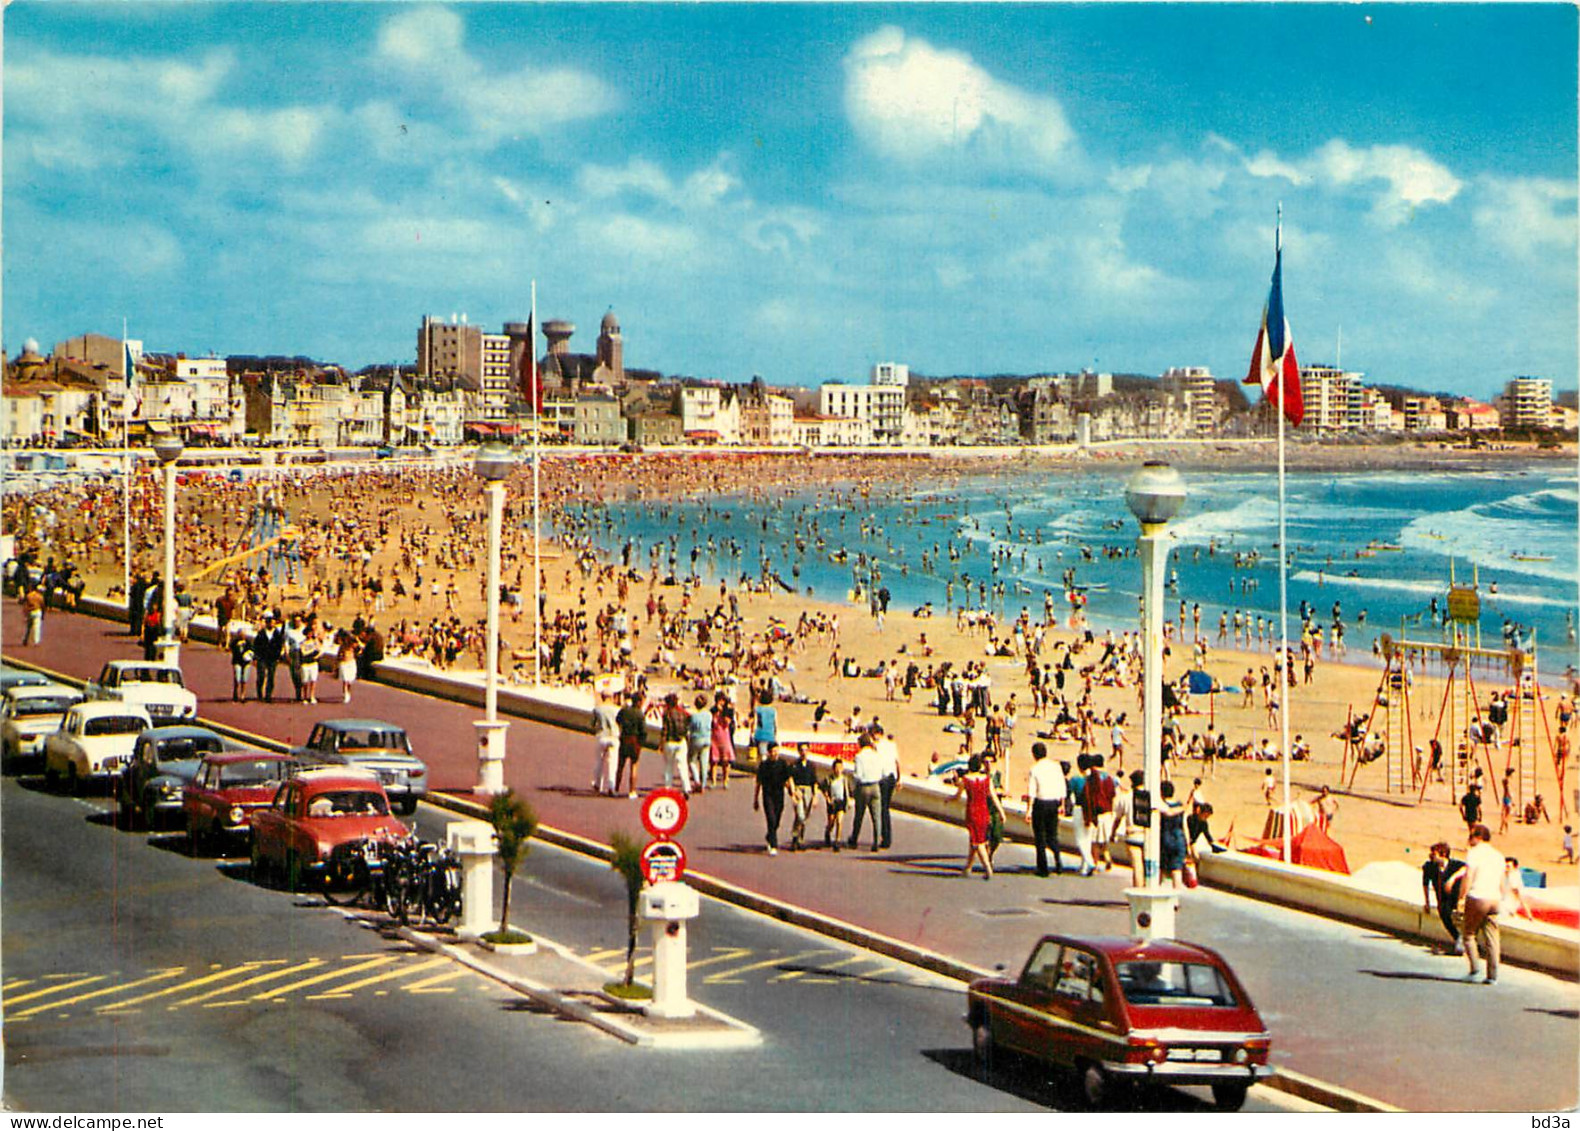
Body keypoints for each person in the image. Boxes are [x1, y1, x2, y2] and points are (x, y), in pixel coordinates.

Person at [1450, 823, 1506, 984]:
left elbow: (1468, 877)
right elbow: (1502, 882)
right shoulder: (1498, 856)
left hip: (1478, 897)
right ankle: (1492, 975)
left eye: (1471, 836)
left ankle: (1475, 969)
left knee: (1468, 934)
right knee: (1492, 938)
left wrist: (1461, 897)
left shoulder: (1474, 854)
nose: (1469, 840)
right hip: (1494, 899)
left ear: (1479, 837)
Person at [950, 754, 1003, 880]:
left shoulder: (966, 779)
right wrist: (1001, 812)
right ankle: (968, 868)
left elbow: (957, 796)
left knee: (977, 842)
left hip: (972, 812)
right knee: (976, 839)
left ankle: (987, 868)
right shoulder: (986, 779)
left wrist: (949, 800)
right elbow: (994, 796)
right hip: (984, 812)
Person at [1024, 741, 1067, 876]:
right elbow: (1062, 786)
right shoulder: (1056, 766)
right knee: (1052, 835)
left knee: (1040, 837)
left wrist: (1029, 810)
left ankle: (1043, 868)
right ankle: (1058, 861)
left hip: (1041, 803)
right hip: (1054, 802)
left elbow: (1032, 791)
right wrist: (1062, 804)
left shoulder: (1035, 769)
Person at [1421, 841, 1466, 953]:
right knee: (1445, 915)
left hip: (1455, 896)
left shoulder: (1455, 865)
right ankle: (1458, 938)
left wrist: (1453, 879)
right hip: (1442, 899)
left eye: (1434, 853)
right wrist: (1427, 902)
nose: (1431, 856)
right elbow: (1425, 884)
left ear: (1443, 854)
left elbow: (1467, 868)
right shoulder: (1429, 867)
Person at [1082, 754, 1118, 874]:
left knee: (1095, 841)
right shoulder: (1109, 778)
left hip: (1098, 813)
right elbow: (1113, 795)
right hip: (1108, 812)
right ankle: (1107, 857)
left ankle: (1095, 864)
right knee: (1103, 839)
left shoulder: (1093, 778)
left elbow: (1090, 796)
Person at [847, 734, 884, 851]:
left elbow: (858, 775)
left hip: (863, 787)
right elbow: (882, 772)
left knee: (859, 815)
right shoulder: (877, 755)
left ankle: (854, 839)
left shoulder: (859, 757)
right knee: (876, 816)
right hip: (875, 786)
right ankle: (876, 841)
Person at [752, 744, 790, 855]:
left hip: (779, 794)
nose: (774, 753)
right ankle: (773, 844)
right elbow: (758, 783)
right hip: (767, 794)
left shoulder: (783, 764)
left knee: (777, 819)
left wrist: (793, 792)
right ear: (769, 752)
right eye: (772, 751)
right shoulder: (764, 765)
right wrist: (755, 799)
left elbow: (787, 779)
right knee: (771, 818)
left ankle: (770, 835)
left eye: (776, 751)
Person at [659, 692, 693, 795]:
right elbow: (689, 721)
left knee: (669, 766)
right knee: (682, 765)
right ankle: (686, 788)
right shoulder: (683, 712)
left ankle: (668, 788)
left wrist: (661, 743)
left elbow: (664, 730)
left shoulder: (667, 713)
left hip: (670, 742)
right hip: (681, 741)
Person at [874, 724, 901, 850]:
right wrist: (899, 779)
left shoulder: (877, 746)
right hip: (892, 778)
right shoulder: (891, 744)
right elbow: (897, 763)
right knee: (886, 807)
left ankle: (885, 837)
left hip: (883, 779)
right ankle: (886, 836)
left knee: (882, 808)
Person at [615, 691, 647, 798]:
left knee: (620, 766)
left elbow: (617, 720)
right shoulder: (640, 714)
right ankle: (632, 791)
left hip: (624, 738)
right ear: (638, 702)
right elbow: (643, 731)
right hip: (635, 740)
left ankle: (616, 789)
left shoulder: (624, 710)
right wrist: (641, 743)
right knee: (634, 766)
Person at [787, 743, 818, 851]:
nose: (804, 752)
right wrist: (794, 792)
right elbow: (790, 779)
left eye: (806, 750)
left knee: (804, 817)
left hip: (808, 791)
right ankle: (795, 835)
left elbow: (814, 782)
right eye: (802, 750)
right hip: (799, 790)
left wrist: (815, 796)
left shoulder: (811, 766)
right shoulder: (794, 765)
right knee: (800, 815)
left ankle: (799, 838)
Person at [1158, 779, 1187, 889]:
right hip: (1178, 838)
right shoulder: (1179, 805)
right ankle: (1176, 900)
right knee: (1177, 870)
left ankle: (1157, 892)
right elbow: (1184, 826)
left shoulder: (1162, 806)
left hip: (1165, 838)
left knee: (1160, 869)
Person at [591, 690, 620, 796]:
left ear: (602, 697)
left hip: (602, 736)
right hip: (613, 736)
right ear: (611, 697)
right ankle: (611, 787)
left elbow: (593, 724)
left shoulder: (597, 709)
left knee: (599, 761)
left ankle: (598, 784)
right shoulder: (617, 710)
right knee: (612, 763)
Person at [709, 691, 735, 790]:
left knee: (725, 761)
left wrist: (723, 712)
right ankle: (713, 781)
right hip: (714, 738)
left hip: (725, 737)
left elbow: (727, 722)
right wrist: (716, 711)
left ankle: (725, 780)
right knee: (713, 761)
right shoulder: (712, 710)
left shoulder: (728, 711)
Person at [687, 694, 713, 793]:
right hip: (707, 739)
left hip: (696, 739)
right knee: (704, 762)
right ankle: (703, 784)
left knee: (692, 761)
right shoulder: (709, 715)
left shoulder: (694, 716)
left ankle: (697, 780)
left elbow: (690, 728)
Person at [822, 757, 850, 850]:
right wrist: (827, 798)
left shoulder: (844, 779)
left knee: (839, 821)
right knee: (831, 821)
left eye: (840, 768)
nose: (838, 770)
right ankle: (828, 832)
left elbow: (846, 790)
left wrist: (848, 801)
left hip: (840, 802)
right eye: (837, 768)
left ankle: (837, 841)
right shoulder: (829, 779)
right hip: (832, 802)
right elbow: (824, 789)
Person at [752, 687, 778, 764]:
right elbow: (775, 724)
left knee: (762, 755)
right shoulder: (773, 710)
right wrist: (776, 735)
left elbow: (755, 722)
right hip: (770, 734)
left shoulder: (757, 709)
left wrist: (752, 733)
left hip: (761, 734)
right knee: (770, 755)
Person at [228, 625, 254, 702]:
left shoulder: (248, 642)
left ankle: (243, 694)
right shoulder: (235, 642)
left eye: (244, 634)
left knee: (244, 679)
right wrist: (237, 646)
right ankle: (235, 692)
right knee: (237, 678)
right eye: (241, 634)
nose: (243, 636)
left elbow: (251, 651)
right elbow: (231, 649)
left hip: (246, 662)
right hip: (237, 661)